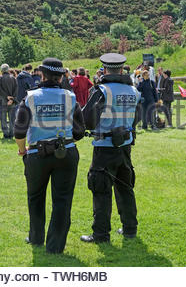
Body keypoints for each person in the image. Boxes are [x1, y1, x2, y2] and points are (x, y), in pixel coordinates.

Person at [14, 57, 85, 254]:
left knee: (35, 197)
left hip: (37, 153)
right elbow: (80, 131)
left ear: (41, 75)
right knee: (62, 200)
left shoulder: (30, 97)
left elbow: (19, 131)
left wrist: (22, 149)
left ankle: (36, 238)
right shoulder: (70, 98)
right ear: (61, 77)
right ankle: (55, 247)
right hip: (66, 152)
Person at [81, 53, 141, 244]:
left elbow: (87, 119)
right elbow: (138, 117)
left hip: (104, 147)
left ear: (104, 69)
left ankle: (100, 235)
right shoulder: (134, 91)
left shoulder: (102, 90)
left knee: (101, 189)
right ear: (122, 70)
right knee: (125, 187)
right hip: (124, 145)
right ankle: (130, 229)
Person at [0, 63, 18, 139]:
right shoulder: (13, 78)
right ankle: (11, 133)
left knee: (3, 119)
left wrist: (6, 97)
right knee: (12, 118)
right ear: (8, 69)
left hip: (2, 101)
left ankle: (6, 134)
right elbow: (16, 90)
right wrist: (12, 99)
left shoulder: (0, 78)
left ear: (1, 70)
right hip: (12, 101)